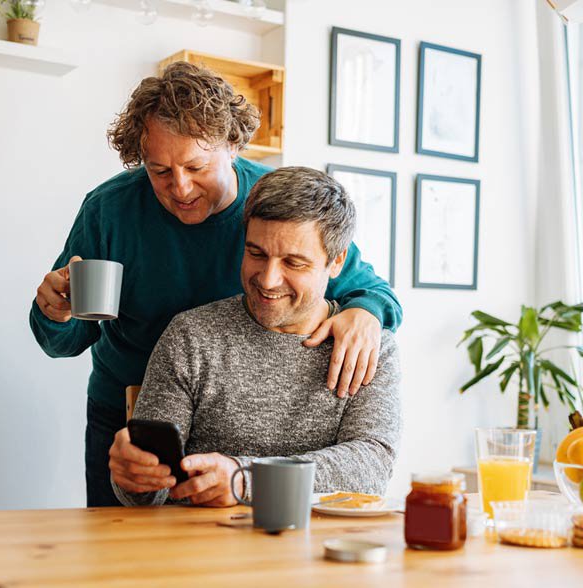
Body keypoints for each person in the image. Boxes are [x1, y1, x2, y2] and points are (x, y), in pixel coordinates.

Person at [30, 62, 402, 507]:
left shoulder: (273, 205)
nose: (180, 187)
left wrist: (366, 313)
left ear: (232, 145)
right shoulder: (110, 211)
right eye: (159, 170)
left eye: (196, 166)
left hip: (246, 429)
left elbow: (364, 286)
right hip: (131, 417)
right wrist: (55, 313)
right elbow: (66, 337)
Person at [109, 167, 401, 507]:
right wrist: (135, 477)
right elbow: (148, 496)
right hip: (200, 548)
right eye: (257, 254)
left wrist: (244, 479)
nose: (268, 279)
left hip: (320, 550)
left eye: (293, 263)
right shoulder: (191, 337)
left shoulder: (369, 347)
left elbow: (371, 467)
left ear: (336, 262)